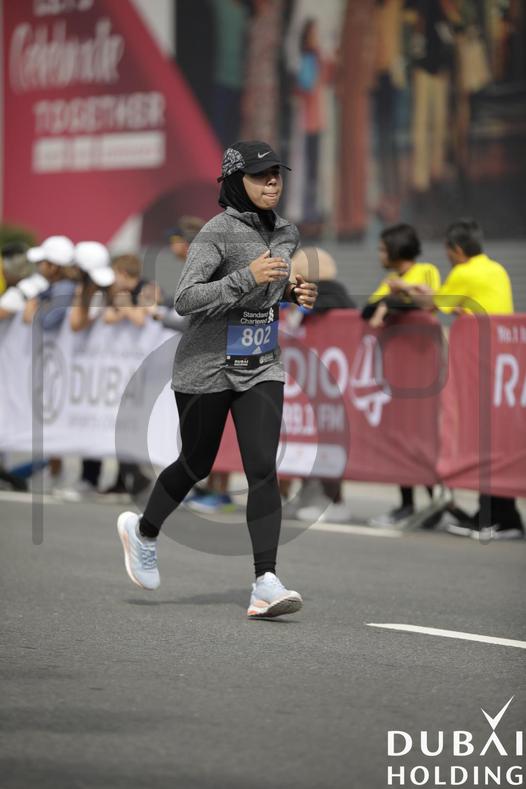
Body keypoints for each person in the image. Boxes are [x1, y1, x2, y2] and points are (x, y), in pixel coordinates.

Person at [117, 140, 318, 618]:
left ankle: (265, 582)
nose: (272, 181)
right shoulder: (215, 233)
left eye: (276, 173)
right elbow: (187, 299)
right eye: (260, 175)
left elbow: (267, 289)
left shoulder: (286, 232)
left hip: (261, 364)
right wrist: (248, 276)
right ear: (235, 182)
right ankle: (143, 531)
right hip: (205, 366)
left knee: (262, 467)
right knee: (196, 462)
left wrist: (291, 293)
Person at [395, 218, 523, 540]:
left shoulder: (465, 272)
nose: (447, 257)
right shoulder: (495, 269)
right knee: (496, 442)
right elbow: (455, 303)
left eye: (447, 251)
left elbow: (433, 304)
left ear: (457, 249)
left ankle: (499, 519)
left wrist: (404, 289)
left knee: (486, 443)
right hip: (504, 370)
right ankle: (497, 516)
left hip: (484, 368)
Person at [362, 223, 441, 528]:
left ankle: (436, 501)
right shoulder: (391, 280)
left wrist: (395, 298)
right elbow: (368, 310)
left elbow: (429, 302)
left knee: (421, 436)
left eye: (383, 249)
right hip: (397, 372)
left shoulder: (426, 271)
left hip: (424, 370)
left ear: (396, 249)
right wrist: (389, 300)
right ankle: (408, 504)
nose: (379, 254)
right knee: (400, 436)